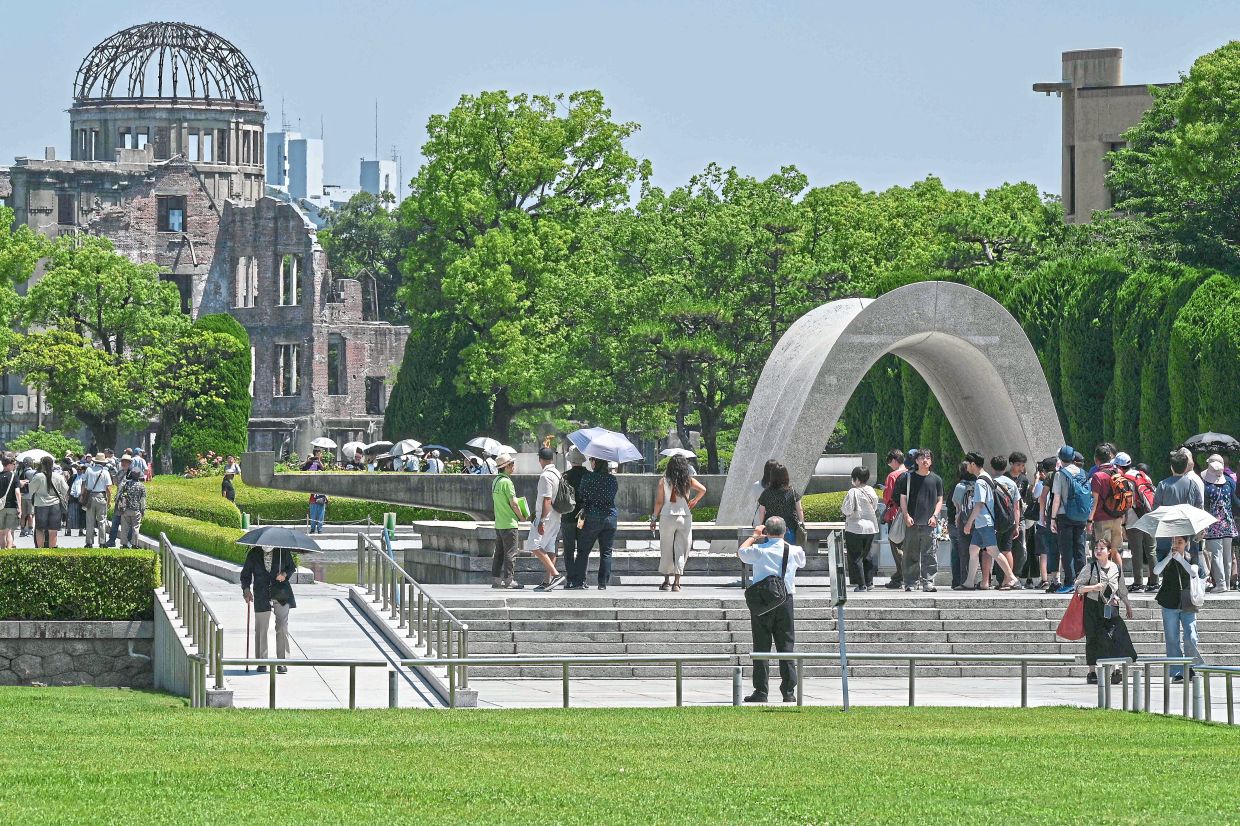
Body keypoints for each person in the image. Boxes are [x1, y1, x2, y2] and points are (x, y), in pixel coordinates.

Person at [739, 516, 806, 703]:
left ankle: (761, 690)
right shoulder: (794, 550)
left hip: (763, 600)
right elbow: (802, 563)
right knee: (786, 644)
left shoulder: (759, 550)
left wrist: (754, 536)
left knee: (761, 644)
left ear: (766, 532)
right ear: (785, 532)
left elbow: (741, 552)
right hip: (785, 599)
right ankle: (788, 691)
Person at [1075, 538, 1136, 684]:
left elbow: (1121, 588)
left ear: (1109, 551)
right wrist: (1093, 587)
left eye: (1102, 548)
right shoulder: (1090, 568)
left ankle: (1116, 670)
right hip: (1093, 606)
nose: (1098, 551)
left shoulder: (1116, 568)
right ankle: (1092, 672)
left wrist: (1127, 604)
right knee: (1093, 637)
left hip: (1111, 606)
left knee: (1115, 636)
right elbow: (1078, 587)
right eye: (1096, 548)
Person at [962, 452, 1021, 590]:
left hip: (984, 522)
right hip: (983, 522)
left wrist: (969, 522)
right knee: (973, 549)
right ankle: (970, 581)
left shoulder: (980, 481)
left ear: (972, 464)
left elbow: (980, 503)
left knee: (993, 550)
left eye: (967, 464)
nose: (966, 467)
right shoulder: (987, 477)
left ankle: (1012, 578)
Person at [650, 455, 707, 592]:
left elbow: (659, 502)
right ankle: (677, 583)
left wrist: (653, 518)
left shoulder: (663, 481)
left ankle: (666, 581)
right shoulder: (688, 480)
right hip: (684, 516)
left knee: (666, 548)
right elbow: (703, 489)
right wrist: (695, 500)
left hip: (667, 515)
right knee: (682, 549)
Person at [1154, 535, 1204, 682]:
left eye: (1180, 542)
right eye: (1174, 542)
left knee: (1191, 636)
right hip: (1169, 602)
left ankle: (1190, 667)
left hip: (1188, 602)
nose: (1176, 544)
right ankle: (1177, 672)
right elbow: (1156, 571)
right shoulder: (1166, 556)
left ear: (1187, 543)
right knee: (1172, 638)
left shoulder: (1191, 556)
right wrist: (1170, 557)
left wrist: (1181, 559)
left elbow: (1194, 572)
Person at [241, 545, 297, 673]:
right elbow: (246, 574)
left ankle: (282, 661)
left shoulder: (283, 551)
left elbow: (291, 567)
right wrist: (246, 590)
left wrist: (284, 574)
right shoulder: (254, 553)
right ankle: (262, 661)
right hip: (261, 592)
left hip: (281, 592)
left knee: (282, 626)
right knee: (261, 628)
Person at [568, 457, 619, 590]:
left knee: (583, 550)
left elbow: (582, 493)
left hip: (592, 516)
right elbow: (613, 495)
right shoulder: (612, 479)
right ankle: (602, 583)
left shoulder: (588, 478)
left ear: (595, 463)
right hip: (610, 517)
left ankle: (579, 581)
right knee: (606, 552)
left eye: (592, 461)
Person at [900, 449, 943, 592]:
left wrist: (935, 515)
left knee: (929, 554)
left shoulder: (936, 479)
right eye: (922, 458)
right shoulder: (908, 477)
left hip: (929, 523)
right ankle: (911, 582)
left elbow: (939, 500)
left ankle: (928, 582)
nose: (925, 460)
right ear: (916, 461)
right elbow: (903, 498)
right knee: (910, 554)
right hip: (912, 522)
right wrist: (906, 515)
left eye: (928, 458)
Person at [1050, 445, 1091, 592]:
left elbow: (1057, 498)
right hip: (1081, 516)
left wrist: (1052, 519)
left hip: (1064, 515)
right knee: (1079, 548)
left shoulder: (1060, 474)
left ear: (1060, 458)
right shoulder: (1084, 473)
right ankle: (1082, 580)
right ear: (1073, 458)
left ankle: (1069, 582)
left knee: (1066, 550)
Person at [1154, 448, 1204, 564]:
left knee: (1165, 559)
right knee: (1186, 559)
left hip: (1167, 528)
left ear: (1171, 467)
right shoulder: (1192, 484)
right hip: (1186, 528)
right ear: (1186, 466)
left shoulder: (1163, 485)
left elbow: (1156, 508)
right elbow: (1199, 507)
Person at [528, 447, 567, 591]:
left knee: (534, 545)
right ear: (552, 459)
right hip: (557, 514)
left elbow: (547, 499)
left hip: (546, 515)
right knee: (550, 547)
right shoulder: (558, 473)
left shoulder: (545, 476)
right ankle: (547, 581)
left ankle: (555, 575)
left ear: (540, 460)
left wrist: (542, 520)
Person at [841, 465, 880, 591]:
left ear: (856, 479)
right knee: (867, 555)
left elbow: (846, 509)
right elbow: (874, 507)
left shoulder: (853, 491)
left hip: (855, 527)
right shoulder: (872, 491)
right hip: (871, 527)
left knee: (855, 556)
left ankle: (861, 584)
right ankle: (869, 582)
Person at [1201, 454, 1236, 593]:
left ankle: (1220, 584)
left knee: (1216, 554)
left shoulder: (1206, 484)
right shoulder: (1228, 482)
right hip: (1228, 522)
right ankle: (1226, 583)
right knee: (1227, 555)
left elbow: (1204, 504)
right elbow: (1234, 501)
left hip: (1213, 523)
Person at [490, 453, 523, 589]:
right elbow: (514, 503)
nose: (513, 466)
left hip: (499, 523)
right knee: (510, 553)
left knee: (499, 553)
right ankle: (509, 580)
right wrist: (522, 516)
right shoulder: (507, 482)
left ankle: (496, 580)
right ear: (506, 466)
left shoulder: (496, 481)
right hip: (509, 523)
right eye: (512, 464)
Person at [880, 449, 909, 589]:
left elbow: (888, 497)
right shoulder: (910, 473)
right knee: (907, 545)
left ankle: (902, 575)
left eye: (890, 462)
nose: (889, 465)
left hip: (895, 514)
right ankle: (901, 574)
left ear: (895, 460)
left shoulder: (892, 476)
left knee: (895, 544)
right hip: (909, 514)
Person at [27, 456, 69, 549]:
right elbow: (65, 489)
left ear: (42, 464)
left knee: (39, 529)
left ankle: (40, 550)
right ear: (52, 464)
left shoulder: (38, 476)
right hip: (55, 505)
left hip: (41, 504)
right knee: (53, 530)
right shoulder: (58, 476)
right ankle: (52, 552)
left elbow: (31, 489)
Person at [757, 463, 804, 544]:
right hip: (789, 527)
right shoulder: (792, 491)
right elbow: (799, 509)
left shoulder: (767, 492)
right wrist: (802, 522)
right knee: (788, 551)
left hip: (771, 529)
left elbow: (761, 511)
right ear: (786, 476)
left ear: (772, 476)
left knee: (770, 551)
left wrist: (761, 524)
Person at [559, 447, 587, 581]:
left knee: (569, 550)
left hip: (567, 516)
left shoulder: (564, 476)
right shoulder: (588, 475)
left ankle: (570, 578)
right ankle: (581, 579)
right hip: (582, 517)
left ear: (570, 461)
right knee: (582, 549)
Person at [947, 462, 975, 590]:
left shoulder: (957, 486)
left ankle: (958, 580)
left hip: (956, 522)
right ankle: (971, 579)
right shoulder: (978, 484)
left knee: (957, 552)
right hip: (976, 523)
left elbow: (951, 505)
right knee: (974, 553)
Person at [82, 453, 113, 548]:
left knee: (90, 521)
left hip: (90, 496)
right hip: (101, 496)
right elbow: (108, 489)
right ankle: (102, 542)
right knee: (102, 521)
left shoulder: (89, 470)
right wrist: (109, 501)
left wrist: (82, 496)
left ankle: (89, 542)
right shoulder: (105, 472)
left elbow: (83, 484)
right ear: (103, 463)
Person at [117, 469, 146, 548]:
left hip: (126, 509)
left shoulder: (127, 484)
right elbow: (142, 501)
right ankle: (134, 544)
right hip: (136, 510)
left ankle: (124, 544)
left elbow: (121, 495)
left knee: (124, 527)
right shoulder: (142, 486)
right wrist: (143, 511)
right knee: (135, 528)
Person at [0, 455, 22, 549]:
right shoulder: (14, 476)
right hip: (12, 507)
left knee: (1, 533)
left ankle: (2, 554)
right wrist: (20, 507)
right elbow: (17, 492)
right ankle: (9, 554)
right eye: (13, 464)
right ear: (8, 465)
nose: (14, 466)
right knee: (9, 531)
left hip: (0, 507)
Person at [67, 462, 86, 536]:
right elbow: (68, 486)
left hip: (81, 498)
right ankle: (68, 531)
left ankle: (81, 531)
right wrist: (67, 495)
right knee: (71, 514)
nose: (80, 470)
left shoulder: (85, 477)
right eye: (78, 469)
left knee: (81, 514)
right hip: (72, 497)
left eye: (81, 469)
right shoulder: (73, 477)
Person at [18, 459, 36, 538]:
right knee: (30, 514)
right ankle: (30, 530)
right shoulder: (34, 472)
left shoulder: (20, 472)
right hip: (31, 496)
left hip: (23, 495)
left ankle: (22, 530)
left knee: (23, 514)